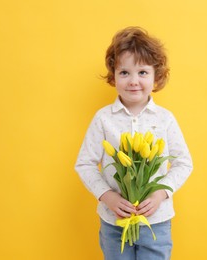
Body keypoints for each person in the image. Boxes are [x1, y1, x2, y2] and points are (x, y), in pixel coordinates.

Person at [75, 26, 193, 260]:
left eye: (142, 72)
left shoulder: (165, 119)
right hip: (114, 221)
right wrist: (107, 196)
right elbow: (84, 164)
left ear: (156, 76)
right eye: (125, 73)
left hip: (156, 222)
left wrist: (161, 194)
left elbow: (183, 163)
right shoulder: (103, 118)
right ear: (113, 76)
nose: (133, 81)